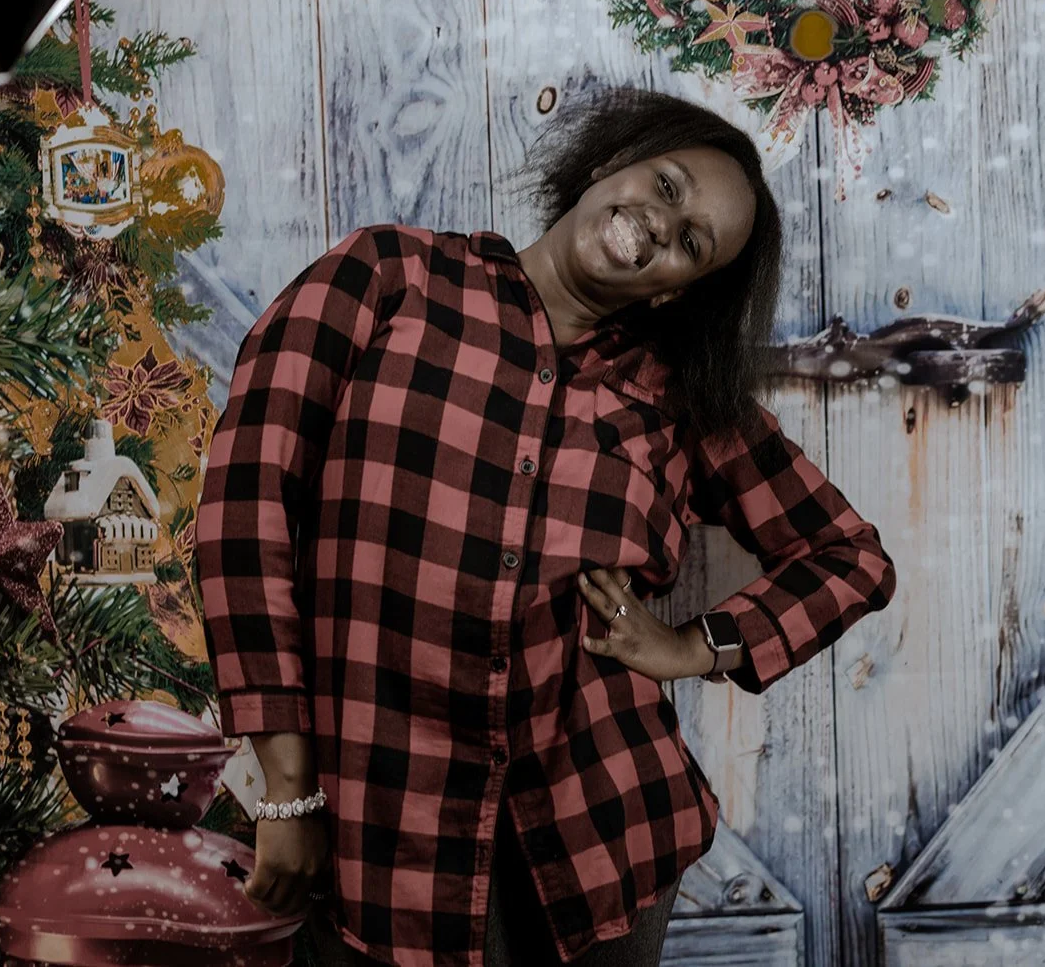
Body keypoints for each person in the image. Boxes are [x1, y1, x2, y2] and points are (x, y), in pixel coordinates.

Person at [196, 87, 897, 967]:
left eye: (692, 245)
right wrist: (288, 793)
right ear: (610, 163)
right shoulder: (386, 278)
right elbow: (242, 511)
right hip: (379, 847)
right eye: (667, 187)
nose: (660, 225)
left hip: (599, 844)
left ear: (681, 291)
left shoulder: (679, 402)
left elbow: (850, 558)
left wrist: (692, 645)